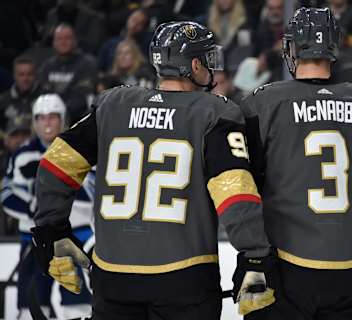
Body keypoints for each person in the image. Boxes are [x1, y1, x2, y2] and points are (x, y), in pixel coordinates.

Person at [31, 21, 275, 320]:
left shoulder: (114, 104)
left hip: (113, 276)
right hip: (184, 276)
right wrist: (254, 254)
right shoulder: (213, 112)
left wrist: (51, 230)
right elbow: (235, 192)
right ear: (194, 64)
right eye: (207, 58)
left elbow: (54, 165)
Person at [240, 7, 352, 320]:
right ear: (334, 46)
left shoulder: (261, 103)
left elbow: (242, 192)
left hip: (288, 267)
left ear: (291, 48)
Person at [1, 94, 94, 319]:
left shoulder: (81, 148)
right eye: (41, 118)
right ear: (33, 121)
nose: (47, 123)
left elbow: (92, 195)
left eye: (53, 117)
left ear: (63, 119)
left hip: (75, 238)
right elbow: (6, 194)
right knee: (30, 305)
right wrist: (34, 210)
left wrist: (52, 208)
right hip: (34, 241)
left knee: (78, 305)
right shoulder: (22, 155)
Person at [37, 24, 98, 123]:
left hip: (80, 120)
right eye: (59, 39)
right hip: (52, 119)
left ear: (75, 41)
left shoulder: (87, 64)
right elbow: (44, 95)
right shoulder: (47, 66)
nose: (63, 42)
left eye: (67, 38)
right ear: (54, 42)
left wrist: (60, 112)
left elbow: (81, 98)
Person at [0, 55, 39, 134]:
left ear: (35, 75)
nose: (25, 79)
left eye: (29, 74)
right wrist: (5, 138)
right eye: (21, 74)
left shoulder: (45, 98)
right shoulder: (3, 99)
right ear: (14, 75)